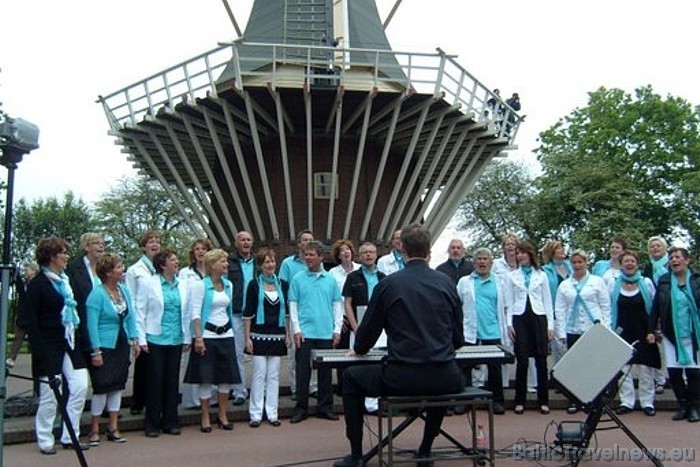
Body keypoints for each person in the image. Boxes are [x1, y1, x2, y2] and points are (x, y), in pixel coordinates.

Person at [333, 224, 465, 467]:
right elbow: (458, 339)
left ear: (401, 248)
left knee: (351, 378)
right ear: (428, 249)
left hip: (402, 377)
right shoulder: (447, 283)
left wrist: (359, 349)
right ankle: (425, 451)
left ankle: (356, 455)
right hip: (445, 376)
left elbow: (366, 336)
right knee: (438, 382)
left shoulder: (389, 284)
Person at [21, 237, 90, 454]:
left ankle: (70, 435)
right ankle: (45, 438)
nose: (67, 256)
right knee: (51, 392)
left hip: (69, 341)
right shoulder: (37, 284)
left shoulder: (65, 282)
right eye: (63, 252)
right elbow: (27, 319)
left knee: (79, 386)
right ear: (52, 256)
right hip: (48, 344)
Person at [184, 249, 241, 432]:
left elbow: (228, 310)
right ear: (212, 265)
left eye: (226, 261)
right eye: (222, 261)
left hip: (226, 334)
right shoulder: (200, 285)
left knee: (225, 378)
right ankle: (205, 415)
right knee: (206, 378)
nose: (226, 264)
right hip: (207, 336)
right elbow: (195, 312)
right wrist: (198, 337)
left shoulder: (228, 285)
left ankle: (223, 414)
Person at [86, 253, 139, 445]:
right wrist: (96, 351)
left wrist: (134, 338)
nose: (122, 270)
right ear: (108, 273)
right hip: (104, 345)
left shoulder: (124, 290)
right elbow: (92, 325)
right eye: (118, 267)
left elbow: (130, 316)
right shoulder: (97, 294)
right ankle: (94, 428)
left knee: (117, 385)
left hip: (121, 343)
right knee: (102, 386)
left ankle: (113, 426)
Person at [288, 240, 343, 423]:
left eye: (311, 255)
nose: (307, 258)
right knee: (303, 372)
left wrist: (336, 329)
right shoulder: (297, 279)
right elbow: (293, 305)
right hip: (305, 332)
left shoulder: (330, 280)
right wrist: (296, 329)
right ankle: (301, 408)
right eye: (306, 254)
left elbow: (337, 305)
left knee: (325, 373)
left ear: (321, 257)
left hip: (325, 331)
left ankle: (325, 407)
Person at [136, 248, 188, 437]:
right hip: (155, 338)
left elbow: (187, 313)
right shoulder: (149, 283)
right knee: (155, 382)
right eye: (173, 260)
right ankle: (152, 423)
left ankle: (170, 421)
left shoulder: (182, 285)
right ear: (162, 264)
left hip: (175, 338)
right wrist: (140, 339)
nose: (177, 262)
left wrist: (187, 337)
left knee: (172, 382)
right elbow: (140, 311)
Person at [647, 247, 700, 422]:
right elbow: (655, 308)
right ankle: (683, 406)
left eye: (678, 257)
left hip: (694, 334)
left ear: (687, 260)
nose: (674, 260)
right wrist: (651, 329)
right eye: (672, 258)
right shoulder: (664, 281)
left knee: (694, 373)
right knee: (674, 372)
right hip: (671, 334)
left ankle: (694, 407)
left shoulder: (697, 281)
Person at [555, 249, 611, 413]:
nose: (577, 265)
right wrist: (561, 332)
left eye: (580, 262)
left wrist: (605, 328)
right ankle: (575, 400)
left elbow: (605, 306)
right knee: (575, 367)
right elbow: (560, 309)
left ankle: (594, 399)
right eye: (574, 262)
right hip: (572, 329)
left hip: (593, 329)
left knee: (593, 366)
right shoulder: (565, 284)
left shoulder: (597, 281)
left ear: (586, 263)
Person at [505, 240, 553, 415]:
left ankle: (543, 400)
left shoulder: (542, 275)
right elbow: (509, 302)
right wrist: (509, 324)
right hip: (520, 318)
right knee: (522, 360)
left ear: (530, 254)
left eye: (522, 252)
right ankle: (520, 400)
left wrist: (550, 325)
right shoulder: (511, 276)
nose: (520, 256)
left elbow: (547, 301)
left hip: (538, 317)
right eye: (518, 253)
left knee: (541, 360)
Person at [609, 250, 660, 416]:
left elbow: (654, 309)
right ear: (621, 264)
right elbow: (609, 307)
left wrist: (653, 330)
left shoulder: (646, 283)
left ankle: (647, 402)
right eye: (626, 261)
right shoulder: (613, 283)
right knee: (624, 368)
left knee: (646, 367)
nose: (629, 264)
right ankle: (627, 402)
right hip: (621, 331)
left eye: (632, 261)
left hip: (644, 330)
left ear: (637, 264)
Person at [457, 247, 507, 414]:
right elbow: (458, 305)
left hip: (493, 331)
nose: (482, 262)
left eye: (485, 259)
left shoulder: (499, 282)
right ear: (474, 262)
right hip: (470, 331)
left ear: (491, 262)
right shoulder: (465, 282)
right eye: (479, 259)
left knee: (495, 369)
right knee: (465, 367)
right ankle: (464, 400)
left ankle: (497, 401)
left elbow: (505, 306)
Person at [243, 247, 289, 427]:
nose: (270, 265)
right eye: (266, 262)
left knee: (274, 376)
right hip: (259, 334)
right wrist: (247, 338)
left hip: (277, 334)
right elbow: (248, 314)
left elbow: (286, 314)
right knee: (258, 375)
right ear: (260, 265)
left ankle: (272, 413)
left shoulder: (283, 285)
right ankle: (255, 413)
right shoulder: (254, 285)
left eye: (272, 261)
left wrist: (287, 334)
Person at [341, 241, 386, 413]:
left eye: (371, 252)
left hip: (380, 326)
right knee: (361, 362)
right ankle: (363, 400)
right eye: (365, 252)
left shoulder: (383, 277)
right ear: (360, 256)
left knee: (379, 361)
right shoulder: (353, 277)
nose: (368, 255)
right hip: (359, 323)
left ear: (376, 255)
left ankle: (376, 401)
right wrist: (355, 327)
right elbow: (347, 303)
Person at [125, 229, 161, 415]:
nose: (154, 244)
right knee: (143, 365)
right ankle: (138, 402)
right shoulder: (134, 270)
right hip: (142, 321)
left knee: (156, 367)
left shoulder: (161, 270)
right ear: (143, 246)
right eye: (150, 241)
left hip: (158, 323)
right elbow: (130, 300)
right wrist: (134, 331)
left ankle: (154, 400)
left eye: (157, 241)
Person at [279, 229, 316, 399]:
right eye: (304, 239)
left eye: (310, 239)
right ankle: (296, 387)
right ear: (299, 243)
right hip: (295, 311)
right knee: (295, 352)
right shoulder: (288, 263)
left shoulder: (317, 264)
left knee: (314, 352)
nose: (307, 242)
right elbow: (283, 288)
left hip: (312, 311)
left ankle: (313, 386)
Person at [178, 238, 214, 409]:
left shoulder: (213, 273)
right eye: (197, 249)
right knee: (192, 362)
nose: (200, 252)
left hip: (212, 322)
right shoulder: (185, 273)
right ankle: (192, 400)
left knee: (209, 362)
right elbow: (185, 301)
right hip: (193, 320)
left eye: (204, 249)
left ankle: (210, 398)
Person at [227, 231, 255, 406]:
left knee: (259, 354)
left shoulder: (257, 262)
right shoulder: (229, 262)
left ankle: (260, 389)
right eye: (242, 240)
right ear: (236, 243)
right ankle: (239, 391)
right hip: (237, 313)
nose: (245, 242)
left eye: (248, 240)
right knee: (237, 354)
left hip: (255, 314)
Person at [329, 239, 360, 394]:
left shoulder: (360, 270)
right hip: (343, 318)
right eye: (342, 250)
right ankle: (342, 387)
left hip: (359, 316)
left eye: (348, 249)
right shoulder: (333, 273)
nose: (346, 252)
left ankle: (358, 386)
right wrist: (339, 319)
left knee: (359, 352)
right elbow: (332, 298)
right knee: (343, 354)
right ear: (338, 255)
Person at [643, 235, 670, 394]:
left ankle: (679, 378)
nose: (655, 249)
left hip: (670, 309)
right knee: (656, 345)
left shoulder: (670, 264)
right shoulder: (648, 268)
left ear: (664, 248)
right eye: (652, 246)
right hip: (654, 309)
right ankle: (660, 379)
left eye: (658, 246)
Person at [541, 240, 572, 366]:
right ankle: (558, 375)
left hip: (572, 311)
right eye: (559, 248)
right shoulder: (545, 271)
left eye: (562, 248)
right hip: (555, 313)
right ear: (552, 252)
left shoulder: (571, 266)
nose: (562, 250)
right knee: (559, 347)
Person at [6, 263, 39, 368]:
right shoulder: (26, 284)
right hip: (23, 316)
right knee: (18, 337)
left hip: (31, 317)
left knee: (32, 339)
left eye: (27, 270)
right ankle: (11, 358)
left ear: (34, 271)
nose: (26, 272)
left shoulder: (35, 284)